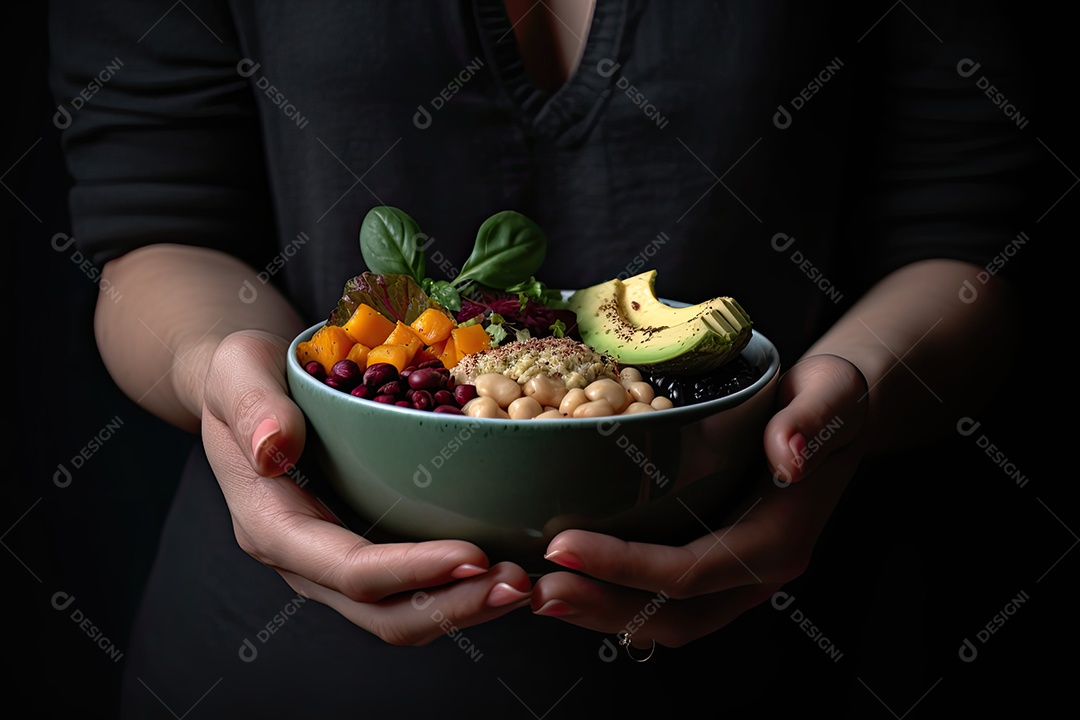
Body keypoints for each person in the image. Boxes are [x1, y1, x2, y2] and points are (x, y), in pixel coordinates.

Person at [49, 0, 1036, 716]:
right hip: (278, 667)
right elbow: (156, 222)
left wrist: (848, 397)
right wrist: (223, 367)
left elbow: (966, 239)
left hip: (800, 650)